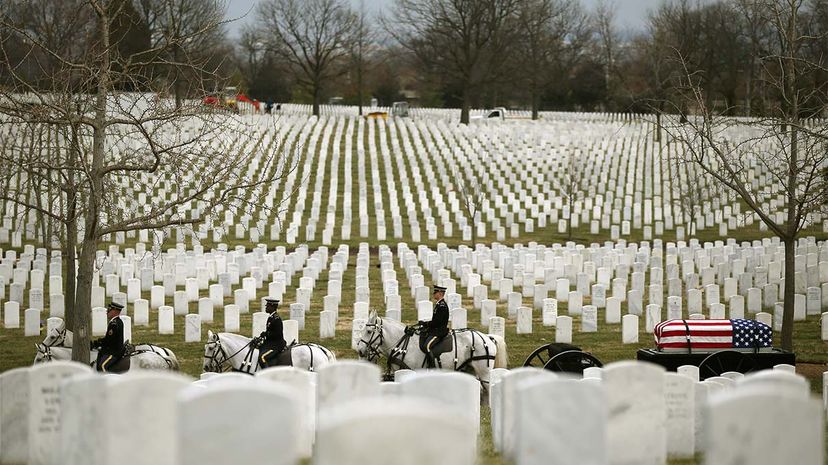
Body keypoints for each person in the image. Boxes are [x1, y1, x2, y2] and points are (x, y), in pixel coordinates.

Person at [419, 285, 450, 368]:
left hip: (439, 332)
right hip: (435, 330)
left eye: (435, 292)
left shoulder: (442, 306)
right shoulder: (439, 304)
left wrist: (426, 324)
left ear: (440, 293)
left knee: (427, 346)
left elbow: (437, 322)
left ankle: (432, 367)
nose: (434, 294)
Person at [91, 302, 125, 372]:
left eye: (109, 310)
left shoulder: (114, 324)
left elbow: (109, 340)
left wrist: (98, 343)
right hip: (111, 349)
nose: (107, 312)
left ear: (115, 311)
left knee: (102, 366)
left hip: (114, 352)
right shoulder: (115, 322)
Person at [256, 298, 287, 368]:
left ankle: (267, 373)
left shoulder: (276, 319)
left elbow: (278, 335)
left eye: (267, 306)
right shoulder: (271, 317)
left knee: (262, 357)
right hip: (270, 343)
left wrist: (266, 334)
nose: (266, 308)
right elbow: (271, 331)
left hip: (276, 345)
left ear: (272, 307)